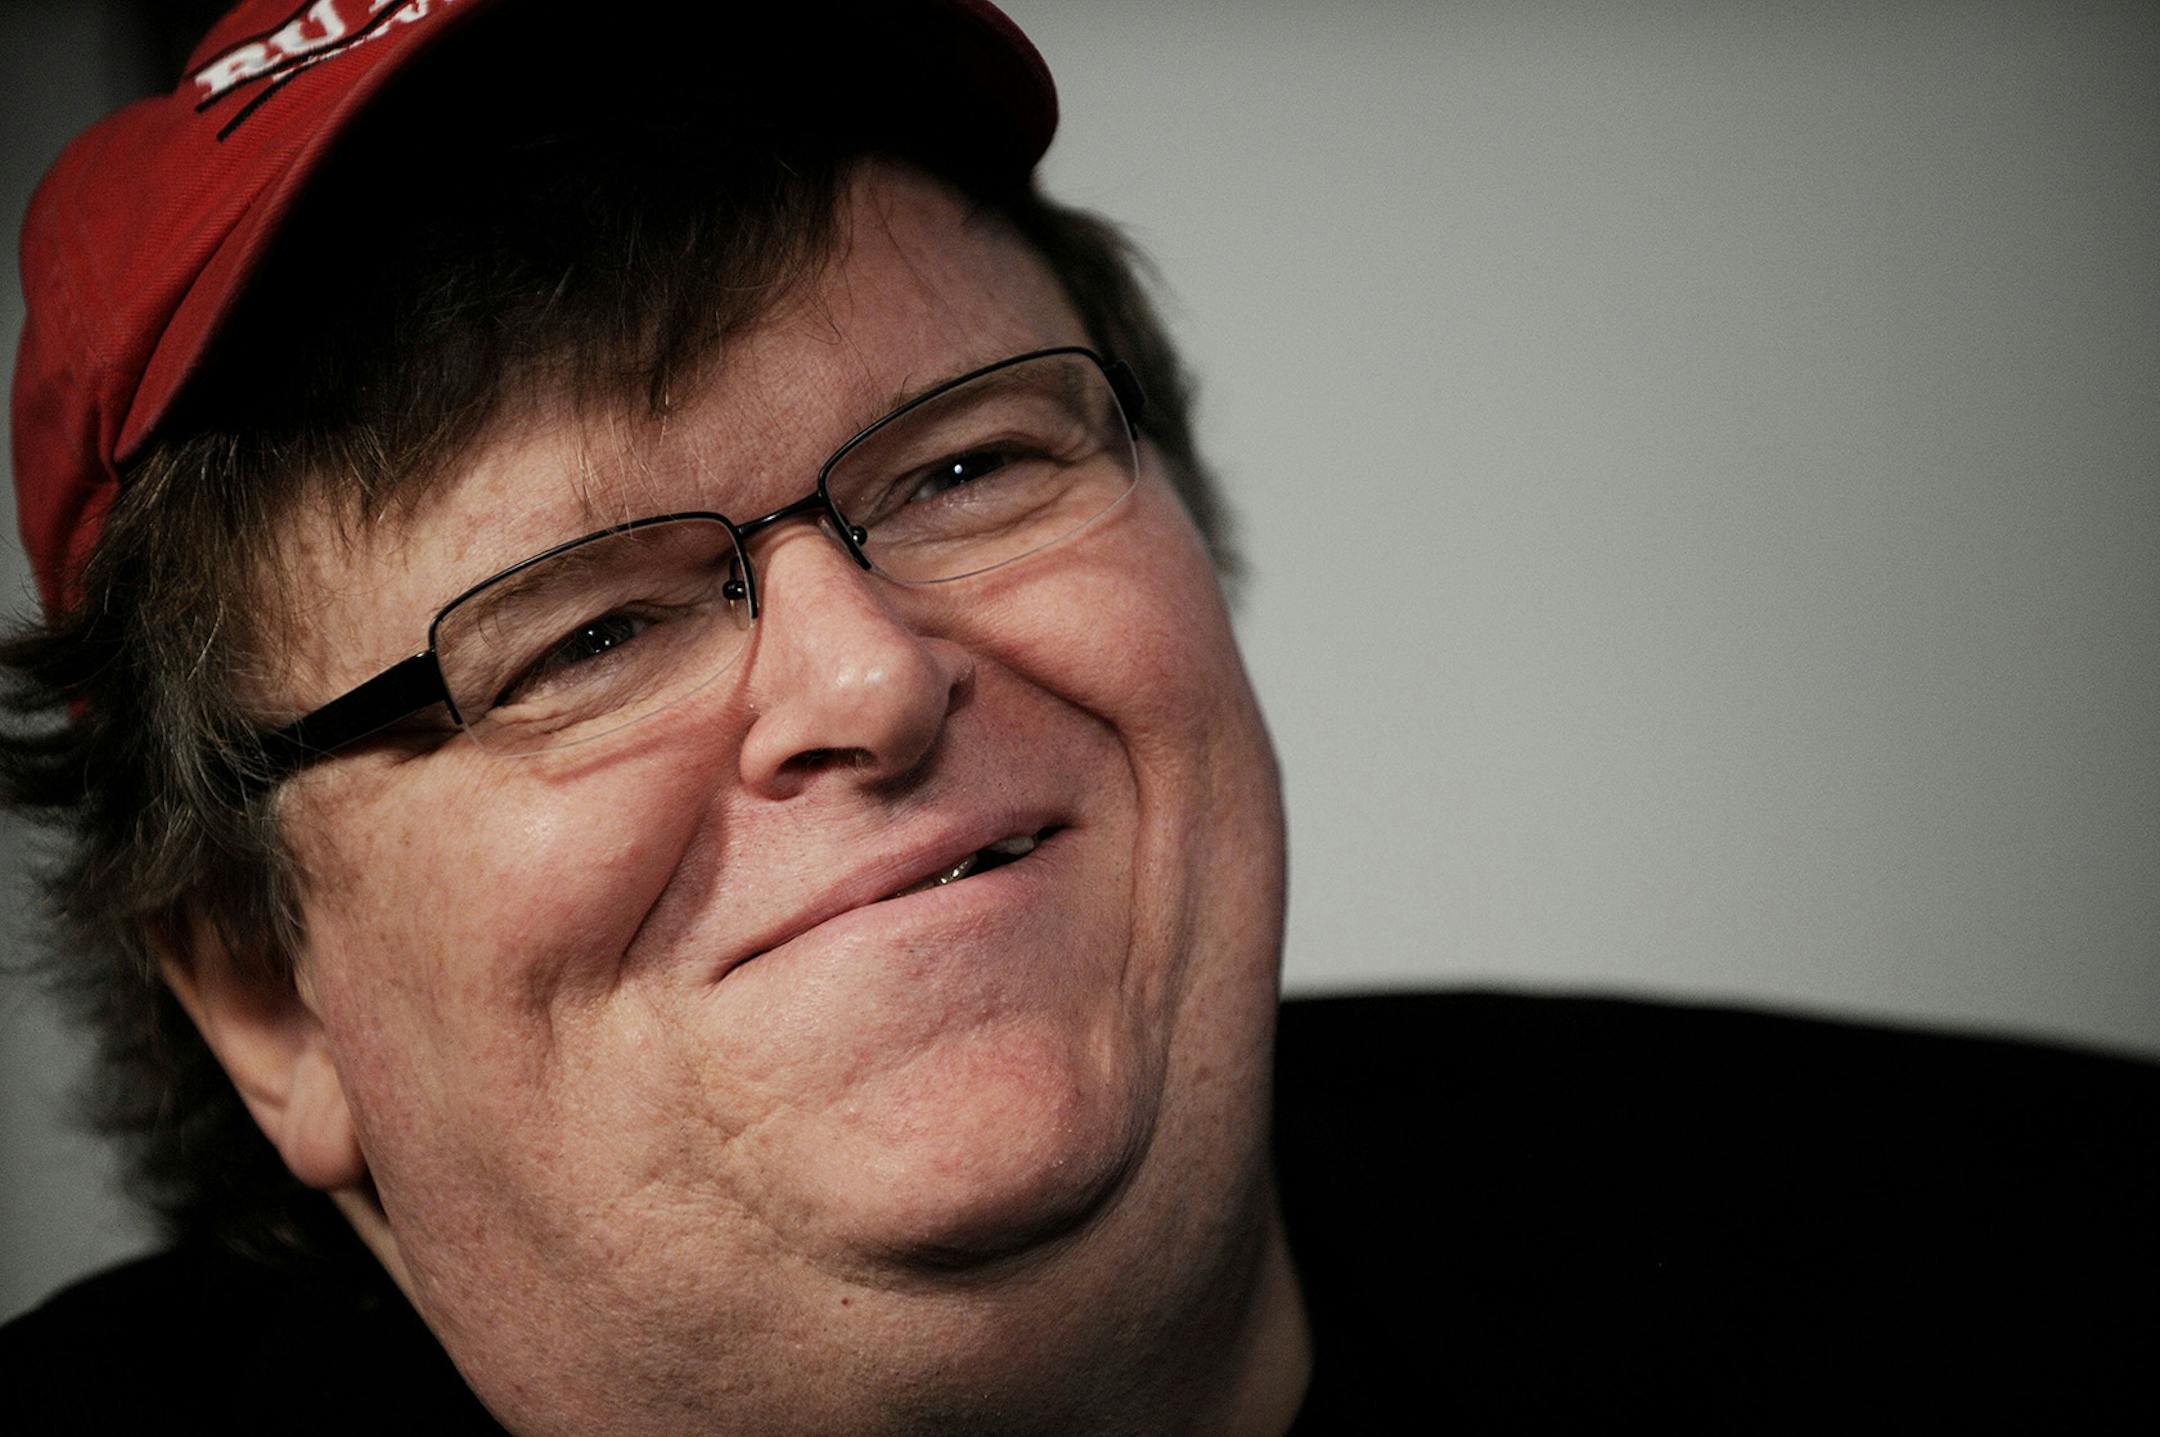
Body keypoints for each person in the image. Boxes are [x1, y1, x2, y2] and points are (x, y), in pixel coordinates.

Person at [3, 2, 2155, 1433]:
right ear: (265, 986)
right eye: (578, 635)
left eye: (965, 467)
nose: (865, 675)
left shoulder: (2024, 1262)